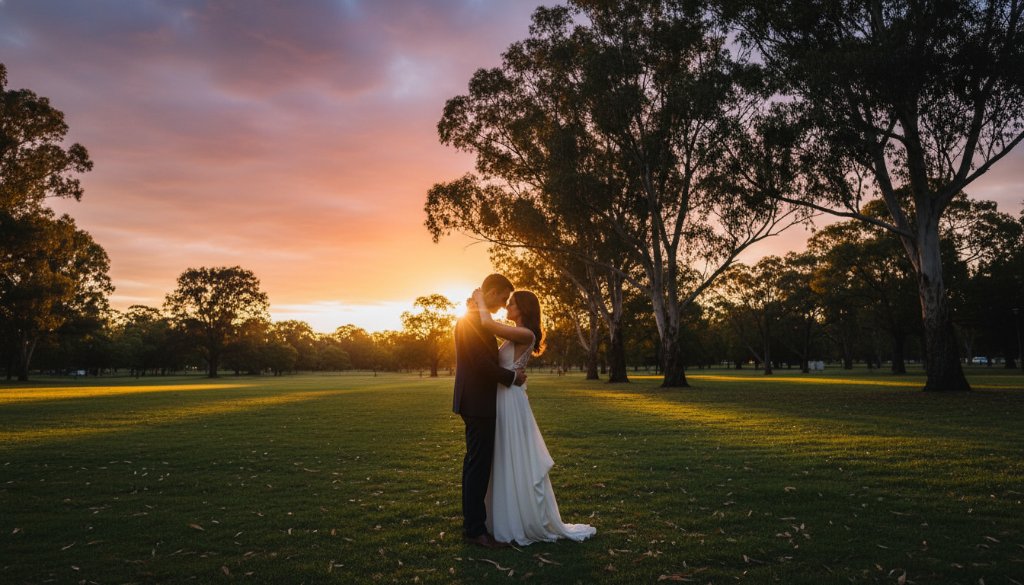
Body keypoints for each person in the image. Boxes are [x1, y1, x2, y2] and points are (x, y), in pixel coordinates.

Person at [471, 288, 596, 545]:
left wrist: (479, 299)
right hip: (504, 395)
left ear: (523, 309)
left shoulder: (526, 334)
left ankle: (519, 519)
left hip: (510, 399)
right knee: (503, 456)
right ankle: (502, 516)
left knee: (512, 454)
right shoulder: (515, 332)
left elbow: (486, 323)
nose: (507, 308)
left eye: (512, 304)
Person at [453, 273, 525, 549]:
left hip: (474, 401)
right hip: (478, 402)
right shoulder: (474, 322)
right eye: (504, 297)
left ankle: (472, 524)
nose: (504, 303)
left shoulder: (472, 317)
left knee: (474, 463)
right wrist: (512, 378)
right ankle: (475, 530)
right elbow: (482, 364)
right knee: (478, 467)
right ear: (492, 292)